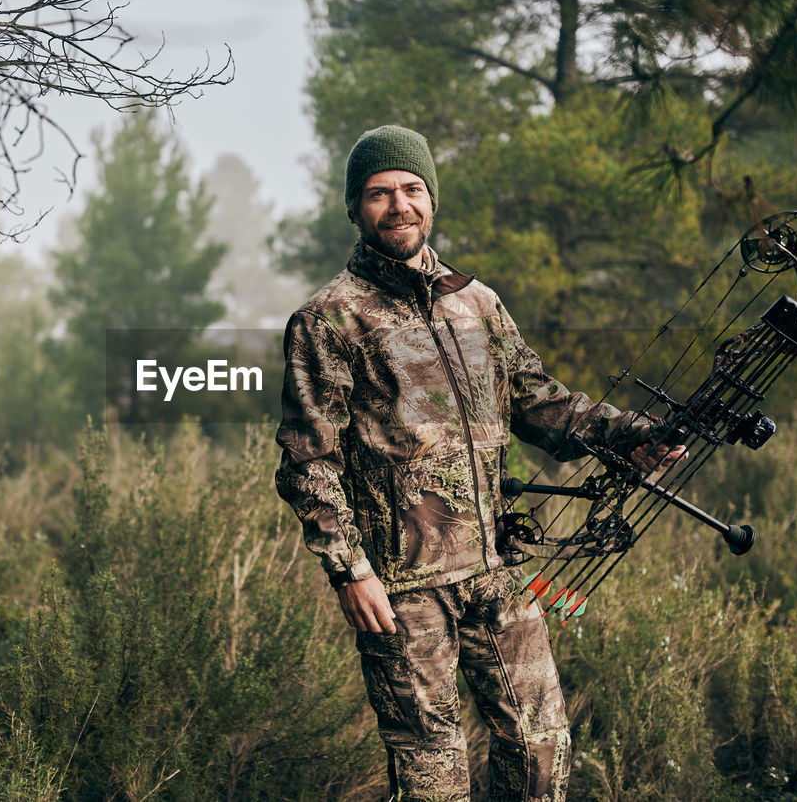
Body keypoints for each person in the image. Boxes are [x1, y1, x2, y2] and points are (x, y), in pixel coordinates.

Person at [274, 125, 682, 802]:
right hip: (404, 590)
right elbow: (307, 463)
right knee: (435, 778)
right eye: (379, 193)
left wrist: (632, 434)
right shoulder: (328, 319)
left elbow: (541, 404)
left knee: (540, 754)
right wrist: (352, 571)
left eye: (411, 189)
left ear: (431, 200)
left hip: (500, 571)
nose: (398, 204)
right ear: (355, 209)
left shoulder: (478, 304)